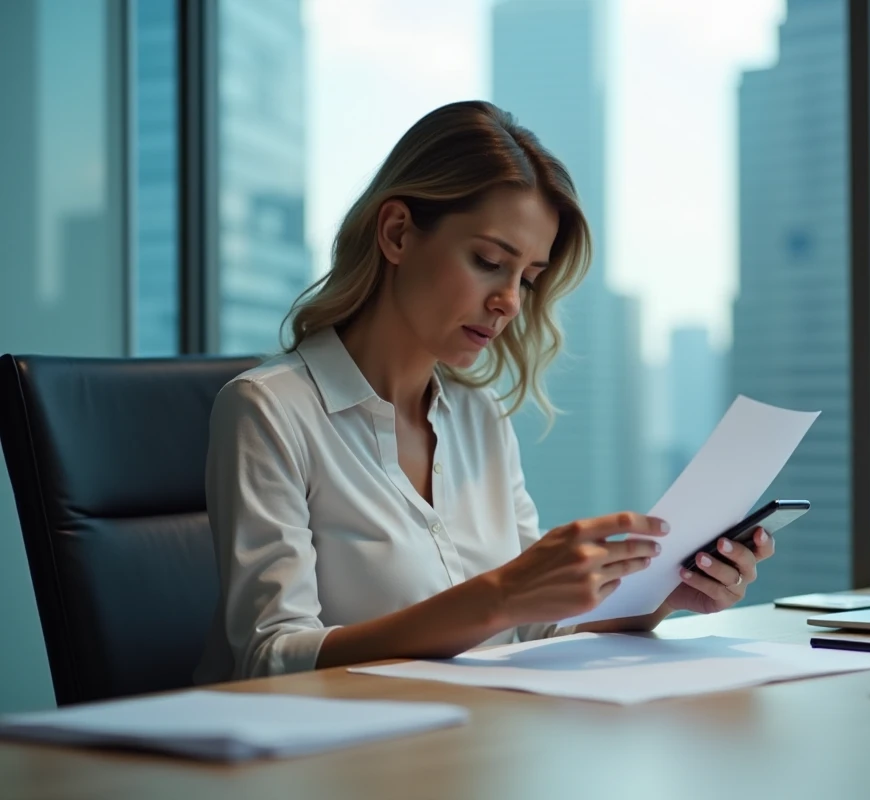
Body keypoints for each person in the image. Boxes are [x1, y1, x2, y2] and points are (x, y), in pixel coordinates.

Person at [194, 100, 775, 683]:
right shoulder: (268, 410)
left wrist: (665, 595)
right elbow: (272, 657)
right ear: (397, 233)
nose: (510, 303)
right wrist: (501, 595)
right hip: (338, 761)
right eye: (488, 261)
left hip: (473, 742)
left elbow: (532, 627)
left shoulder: (479, 416)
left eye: (527, 278)